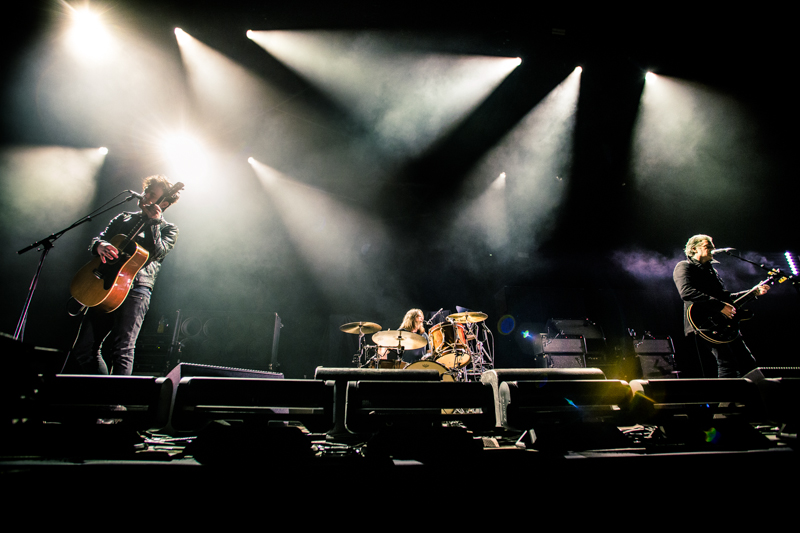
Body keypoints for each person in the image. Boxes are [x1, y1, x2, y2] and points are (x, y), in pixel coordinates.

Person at [69, 175, 180, 375]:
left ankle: (114, 403)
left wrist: (154, 223)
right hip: (104, 285)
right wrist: (100, 245)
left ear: (164, 203)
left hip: (136, 289)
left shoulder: (168, 229)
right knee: (84, 349)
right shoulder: (124, 218)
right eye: (147, 191)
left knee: (122, 350)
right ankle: (103, 399)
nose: (146, 196)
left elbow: (156, 253)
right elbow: (97, 239)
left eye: (152, 195)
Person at [673, 234, 768, 378]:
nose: (713, 249)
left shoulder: (712, 272)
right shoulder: (684, 266)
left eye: (713, 246)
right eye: (708, 246)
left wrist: (753, 292)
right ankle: (728, 400)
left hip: (724, 323)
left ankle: (760, 395)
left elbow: (726, 298)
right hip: (704, 322)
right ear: (694, 249)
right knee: (727, 362)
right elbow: (687, 292)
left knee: (747, 360)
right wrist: (719, 306)